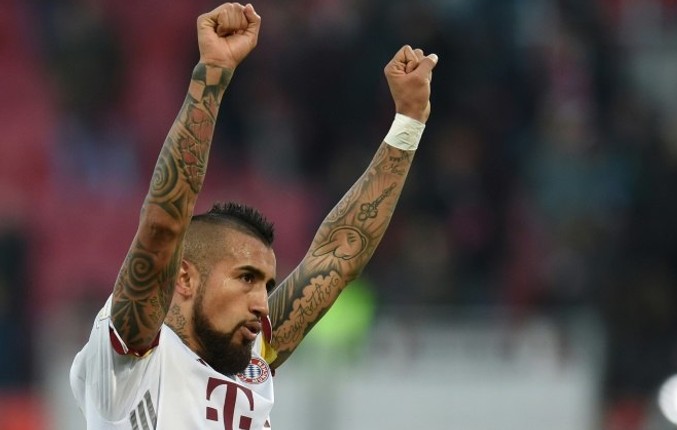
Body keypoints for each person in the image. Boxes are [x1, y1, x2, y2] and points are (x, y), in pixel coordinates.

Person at [69, 2, 439, 429]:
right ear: (184, 278)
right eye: (246, 278)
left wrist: (408, 123)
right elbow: (163, 222)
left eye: (266, 284)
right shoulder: (130, 358)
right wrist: (211, 74)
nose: (263, 302)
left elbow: (337, 256)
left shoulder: (250, 358)